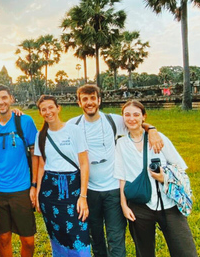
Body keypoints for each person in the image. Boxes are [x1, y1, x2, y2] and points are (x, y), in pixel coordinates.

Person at [68, 84, 163, 257]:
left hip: (113, 189)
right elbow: (52, 131)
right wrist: (16, 114)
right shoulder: (72, 125)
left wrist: (153, 130)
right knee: (95, 237)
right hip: (89, 191)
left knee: (116, 237)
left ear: (99, 100)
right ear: (79, 102)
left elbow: (136, 122)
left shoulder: (113, 120)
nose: (89, 103)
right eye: (85, 99)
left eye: (92, 98)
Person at [114, 100, 198, 257]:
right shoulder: (121, 144)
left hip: (168, 202)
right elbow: (121, 177)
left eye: (136, 115)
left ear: (144, 117)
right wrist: (124, 205)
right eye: (127, 115)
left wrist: (164, 177)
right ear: (123, 117)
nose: (132, 118)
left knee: (185, 250)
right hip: (140, 205)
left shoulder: (158, 138)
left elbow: (180, 168)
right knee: (144, 252)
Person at [0, 84, 38, 257]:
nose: (1, 102)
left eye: (4, 98)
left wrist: (34, 185)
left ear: (11, 99)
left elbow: (35, 154)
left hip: (21, 189)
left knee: (28, 240)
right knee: (4, 237)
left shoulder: (24, 121)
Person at [35, 95, 91, 256]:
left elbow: (84, 164)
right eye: (43, 109)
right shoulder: (41, 136)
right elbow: (41, 166)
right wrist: (39, 193)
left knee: (79, 233)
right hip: (49, 191)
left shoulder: (73, 130)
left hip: (73, 188)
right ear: (40, 113)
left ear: (58, 108)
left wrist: (83, 196)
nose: (48, 112)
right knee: (56, 233)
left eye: (51, 107)